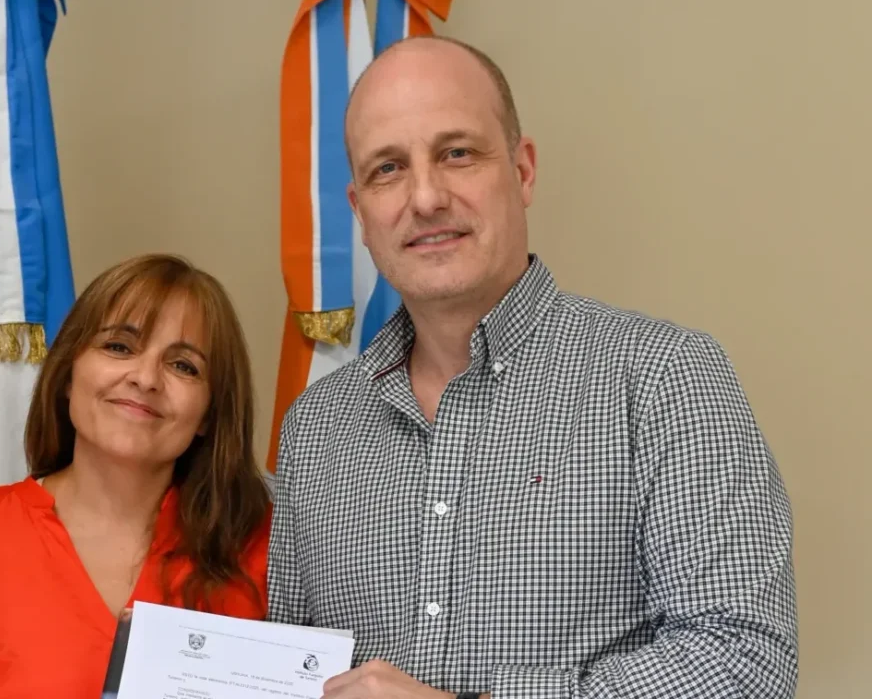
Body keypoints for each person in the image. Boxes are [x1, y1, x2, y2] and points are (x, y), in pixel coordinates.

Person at [265, 35, 798, 699]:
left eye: (457, 153)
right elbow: (289, 674)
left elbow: (746, 662)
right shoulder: (315, 428)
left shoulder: (664, 378)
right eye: (389, 168)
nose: (425, 197)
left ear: (523, 172)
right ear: (361, 214)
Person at [0, 253, 274, 698]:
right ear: (68, 374)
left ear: (209, 415)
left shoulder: (267, 545)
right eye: (119, 347)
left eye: (183, 366)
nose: (146, 378)